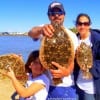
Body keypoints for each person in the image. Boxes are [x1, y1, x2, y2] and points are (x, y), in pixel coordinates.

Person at [28, 1, 78, 99]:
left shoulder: (72, 35)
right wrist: (41, 29)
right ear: (48, 16)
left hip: (65, 86)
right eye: (52, 13)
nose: (56, 15)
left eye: (59, 13)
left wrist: (67, 72)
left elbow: (72, 59)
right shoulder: (45, 29)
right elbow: (31, 33)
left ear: (64, 15)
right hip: (45, 84)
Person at [74, 13, 100, 100]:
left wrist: (89, 65)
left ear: (89, 25)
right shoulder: (74, 39)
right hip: (76, 85)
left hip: (91, 88)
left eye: (86, 24)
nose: (82, 26)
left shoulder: (97, 40)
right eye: (80, 23)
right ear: (76, 25)